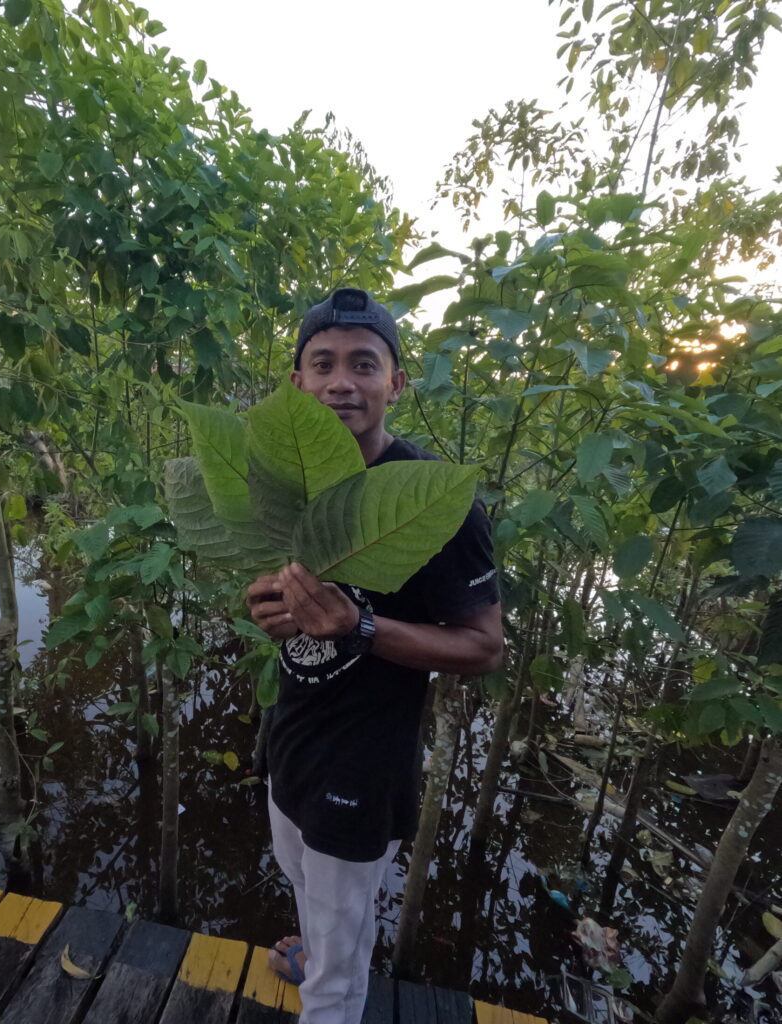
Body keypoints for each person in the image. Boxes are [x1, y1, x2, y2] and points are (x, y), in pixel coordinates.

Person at [246, 287, 503, 1024]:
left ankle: (328, 983)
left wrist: (360, 628)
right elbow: (272, 600)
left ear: (396, 383)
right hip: (290, 742)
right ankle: (319, 954)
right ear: (297, 383)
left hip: (364, 768)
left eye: (363, 364)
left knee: (338, 972)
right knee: (306, 886)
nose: (341, 382)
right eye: (323, 363)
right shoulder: (284, 486)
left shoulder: (435, 499)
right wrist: (265, 607)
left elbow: (485, 647)